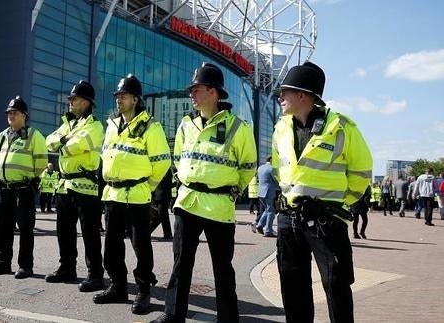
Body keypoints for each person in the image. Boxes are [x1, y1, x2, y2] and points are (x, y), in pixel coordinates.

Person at [151, 63, 257, 323]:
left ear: (213, 92)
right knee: (180, 264)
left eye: (196, 89)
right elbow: (178, 158)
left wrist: (230, 189)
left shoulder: (238, 128)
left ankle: (228, 318)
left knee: (222, 268)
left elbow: (248, 167)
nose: (191, 94)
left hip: (219, 206)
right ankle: (173, 315)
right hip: (187, 202)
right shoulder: (186, 124)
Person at [271, 61, 372, 323]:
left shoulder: (342, 127)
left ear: (302, 95)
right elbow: (277, 168)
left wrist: (333, 204)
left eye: (285, 91)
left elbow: (361, 173)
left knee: (336, 285)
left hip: (327, 221)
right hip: (289, 220)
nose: (280, 97)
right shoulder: (281, 128)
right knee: (293, 289)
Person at [93, 74, 171, 315]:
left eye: (123, 95)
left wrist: (146, 186)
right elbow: (107, 156)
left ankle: (144, 290)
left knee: (141, 246)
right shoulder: (112, 125)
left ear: (136, 99)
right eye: (117, 95)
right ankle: (117, 286)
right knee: (112, 245)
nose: (118, 99)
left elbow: (162, 162)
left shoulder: (150, 126)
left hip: (137, 195)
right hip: (113, 194)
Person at [44, 80, 106, 293]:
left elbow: (76, 146)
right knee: (64, 231)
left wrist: (64, 142)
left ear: (86, 102)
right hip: (64, 185)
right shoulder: (68, 124)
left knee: (90, 233)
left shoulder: (95, 125)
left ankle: (95, 274)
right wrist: (66, 138)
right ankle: (67, 268)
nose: (70, 102)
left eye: (74, 99)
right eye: (70, 98)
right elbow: (48, 142)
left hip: (86, 186)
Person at [0, 95, 47, 279]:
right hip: (3, 189)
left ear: (24, 115)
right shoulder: (2, 136)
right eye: (9, 112)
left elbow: (41, 163)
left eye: (15, 112)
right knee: (2, 229)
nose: (10, 115)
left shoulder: (35, 135)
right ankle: (3, 263)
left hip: (23, 190)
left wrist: (27, 179)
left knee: (26, 230)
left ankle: (25, 266)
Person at [254, 156, 279, 237]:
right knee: (271, 211)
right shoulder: (272, 169)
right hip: (270, 192)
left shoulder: (260, 168)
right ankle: (268, 230)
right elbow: (277, 180)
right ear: (271, 160)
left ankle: (260, 225)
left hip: (261, 192)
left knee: (267, 210)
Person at [149, 167, 173, 239]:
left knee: (161, 214)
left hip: (161, 195)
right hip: (161, 194)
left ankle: (167, 234)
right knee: (161, 215)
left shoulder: (162, 169)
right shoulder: (166, 168)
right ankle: (167, 234)